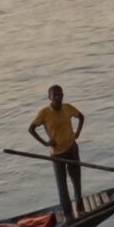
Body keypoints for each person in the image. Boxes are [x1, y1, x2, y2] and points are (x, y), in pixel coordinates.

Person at [30, 83, 85, 216]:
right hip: (57, 155)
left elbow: (81, 117)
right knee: (62, 186)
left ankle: (81, 210)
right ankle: (68, 215)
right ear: (50, 97)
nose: (58, 98)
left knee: (76, 181)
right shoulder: (44, 113)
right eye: (55, 95)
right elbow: (31, 129)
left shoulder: (68, 108)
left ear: (63, 96)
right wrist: (45, 143)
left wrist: (77, 133)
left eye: (60, 95)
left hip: (72, 149)